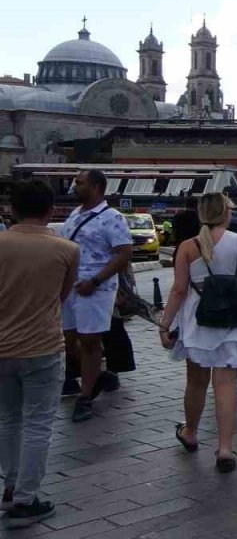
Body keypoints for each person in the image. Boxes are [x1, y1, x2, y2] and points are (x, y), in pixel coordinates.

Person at [158, 193, 237, 474]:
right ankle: (224, 449)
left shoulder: (188, 246)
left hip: (198, 323)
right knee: (226, 385)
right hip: (233, 323)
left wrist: (165, 324)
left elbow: (178, 290)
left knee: (196, 382)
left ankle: (191, 432)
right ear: (226, 213)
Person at [0, 180, 77, 527]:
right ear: (51, 211)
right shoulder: (66, 250)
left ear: (11, 209)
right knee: (38, 423)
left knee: (7, 418)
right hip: (43, 346)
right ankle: (25, 500)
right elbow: (61, 296)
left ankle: (10, 485)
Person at [57, 169, 133, 422]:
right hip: (71, 288)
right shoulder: (74, 215)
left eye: (80, 183)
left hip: (96, 288)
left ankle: (85, 396)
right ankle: (98, 376)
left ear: (97, 187)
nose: (74, 186)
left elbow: (123, 253)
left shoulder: (112, 217)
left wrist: (97, 280)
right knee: (69, 339)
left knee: (90, 341)